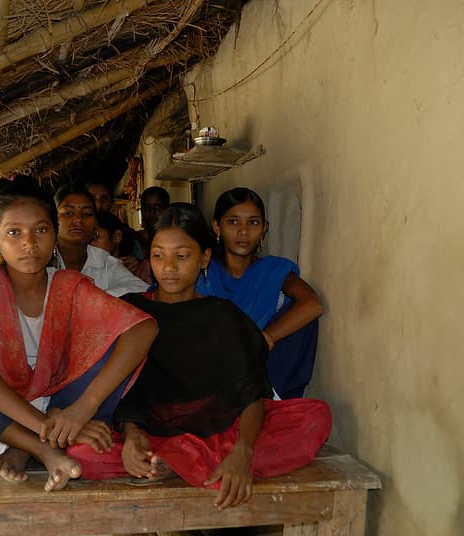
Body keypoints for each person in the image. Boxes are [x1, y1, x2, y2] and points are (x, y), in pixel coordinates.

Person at [68, 203, 331, 510]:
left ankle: (179, 463)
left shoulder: (223, 315)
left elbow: (251, 394)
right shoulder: (129, 310)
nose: (168, 267)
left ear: (204, 257)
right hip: (153, 433)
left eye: (182, 256)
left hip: (219, 429)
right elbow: (123, 392)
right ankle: (188, 463)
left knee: (316, 417)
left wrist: (243, 452)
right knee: (81, 453)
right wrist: (132, 435)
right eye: (157, 255)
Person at [0, 180, 158, 492]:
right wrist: (45, 431)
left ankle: (20, 447)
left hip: (62, 404)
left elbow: (144, 328)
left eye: (40, 230)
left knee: (121, 338)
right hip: (3, 405)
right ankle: (39, 447)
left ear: (54, 234)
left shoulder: (70, 284)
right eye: (14, 232)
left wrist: (82, 410)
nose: (29, 243)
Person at [197, 188, 324, 398]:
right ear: (216, 226)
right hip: (213, 368)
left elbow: (313, 305)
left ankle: (271, 397)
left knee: (301, 315)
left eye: (253, 222)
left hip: (262, 367)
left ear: (265, 228)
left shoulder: (272, 269)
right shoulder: (204, 271)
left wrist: (263, 338)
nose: (244, 231)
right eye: (233, 222)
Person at [53, 183, 147, 296]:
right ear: (53, 218)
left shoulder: (105, 262)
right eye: (68, 213)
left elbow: (141, 288)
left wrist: (92, 298)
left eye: (87, 213)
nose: (78, 219)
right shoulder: (42, 260)